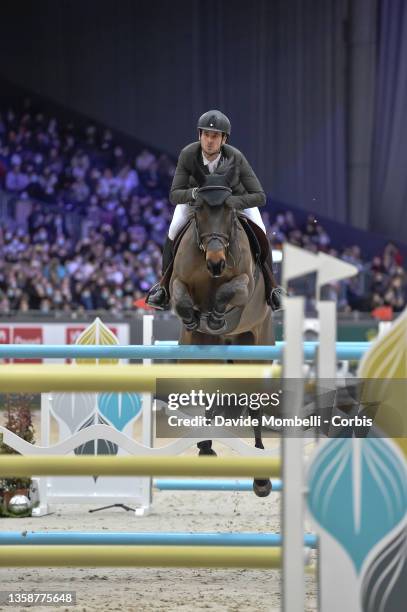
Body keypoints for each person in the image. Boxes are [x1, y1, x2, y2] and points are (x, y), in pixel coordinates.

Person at [146, 109, 282, 310]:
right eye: (206, 135)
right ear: (199, 135)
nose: (209, 140)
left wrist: (233, 202)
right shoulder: (188, 154)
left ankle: (272, 288)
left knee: (260, 230)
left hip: (232, 203)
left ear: (224, 139)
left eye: (215, 136)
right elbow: (175, 194)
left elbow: (259, 196)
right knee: (174, 230)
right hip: (197, 204)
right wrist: (193, 195)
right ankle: (163, 288)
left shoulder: (236, 157)